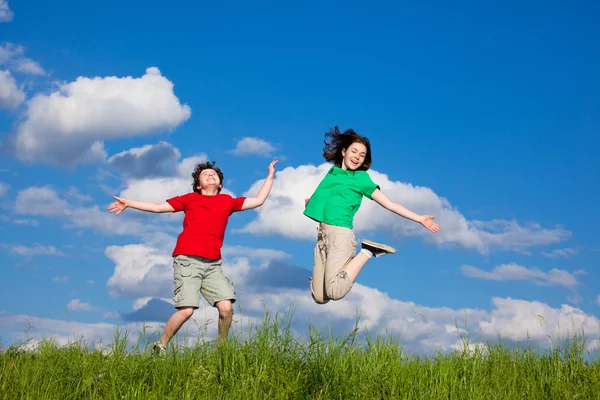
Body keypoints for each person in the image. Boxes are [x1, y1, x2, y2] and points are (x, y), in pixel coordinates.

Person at [108, 159, 278, 353]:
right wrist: (129, 203)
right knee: (187, 310)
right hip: (188, 260)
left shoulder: (227, 201)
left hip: (213, 265)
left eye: (213, 174)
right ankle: (160, 346)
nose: (210, 175)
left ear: (220, 184)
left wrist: (270, 176)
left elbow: (258, 200)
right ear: (198, 185)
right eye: (205, 174)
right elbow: (157, 207)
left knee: (226, 309)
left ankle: (221, 349)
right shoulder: (190, 199)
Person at [304, 127, 440, 304]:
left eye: (362, 155)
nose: (357, 157)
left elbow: (389, 204)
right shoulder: (332, 175)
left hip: (340, 236)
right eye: (354, 151)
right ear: (344, 152)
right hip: (322, 238)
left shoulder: (361, 179)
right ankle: (354, 261)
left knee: (335, 291)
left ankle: (368, 251)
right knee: (320, 297)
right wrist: (312, 204)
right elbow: (324, 201)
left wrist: (419, 218)